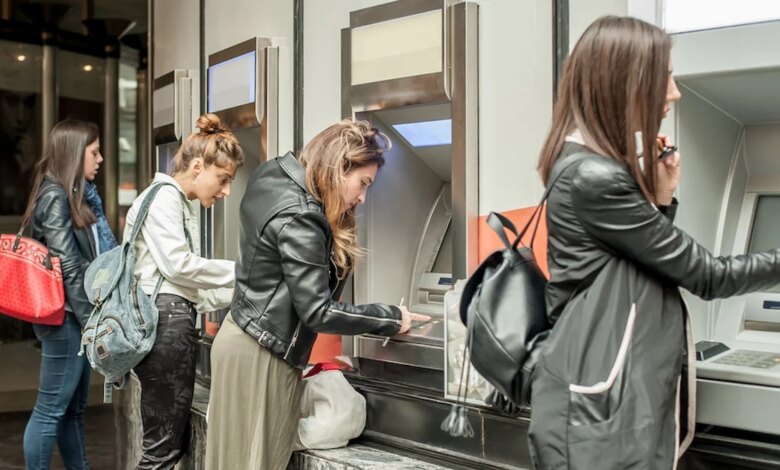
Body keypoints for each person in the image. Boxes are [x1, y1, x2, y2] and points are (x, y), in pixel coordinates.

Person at [528, 16, 780, 469]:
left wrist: (660, 200)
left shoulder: (580, 162)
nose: (675, 92)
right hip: (599, 418)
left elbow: (624, 267)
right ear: (628, 84)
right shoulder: (594, 177)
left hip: (597, 406)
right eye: (665, 76)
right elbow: (709, 276)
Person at [205, 119, 430, 469]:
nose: (362, 197)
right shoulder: (304, 217)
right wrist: (391, 318)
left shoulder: (272, 175)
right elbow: (317, 312)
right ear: (340, 167)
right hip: (263, 356)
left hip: (240, 337)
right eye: (363, 183)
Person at [124, 113, 243, 469]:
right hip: (166, 333)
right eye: (223, 179)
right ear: (197, 166)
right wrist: (244, 272)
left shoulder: (176, 201)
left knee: (166, 448)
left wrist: (245, 288)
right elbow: (178, 266)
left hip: (168, 327)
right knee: (161, 452)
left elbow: (183, 290)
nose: (226, 191)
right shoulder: (164, 198)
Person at [22, 119, 115, 470]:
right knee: (50, 411)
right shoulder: (55, 196)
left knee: (72, 411)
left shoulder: (70, 194)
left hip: (72, 316)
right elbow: (68, 266)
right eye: (94, 152)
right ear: (75, 153)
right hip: (66, 319)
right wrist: (92, 322)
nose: (100, 159)